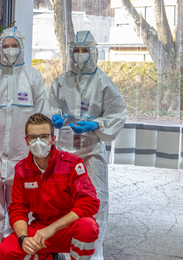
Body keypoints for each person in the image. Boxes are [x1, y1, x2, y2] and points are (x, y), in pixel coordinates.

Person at [49, 30, 127, 260]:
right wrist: (56, 116)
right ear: (71, 52)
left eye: (85, 51)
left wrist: (95, 123)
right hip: (64, 150)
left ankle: (93, 252)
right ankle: (61, 248)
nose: (80, 55)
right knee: (61, 198)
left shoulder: (102, 81)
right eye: (77, 50)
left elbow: (117, 113)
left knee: (96, 199)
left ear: (93, 52)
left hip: (91, 149)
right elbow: (50, 104)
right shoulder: (62, 80)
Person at [0, 26, 49, 240]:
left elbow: (42, 117)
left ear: (21, 47)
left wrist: (39, 149)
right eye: (6, 46)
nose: (10, 50)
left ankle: (16, 247)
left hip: (22, 157)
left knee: (21, 208)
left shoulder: (33, 77)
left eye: (14, 46)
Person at [0, 113, 100, 260]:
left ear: (53, 139)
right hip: (41, 229)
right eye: (33, 137)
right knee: (5, 251)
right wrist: (23, 238)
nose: (38, 142)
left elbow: (89, 203)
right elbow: (18, 209)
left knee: (87, 227)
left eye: (44, 136)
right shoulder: (21, 170)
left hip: (68, 228)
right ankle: (51, 257)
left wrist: (52, 228)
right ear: (27, 141)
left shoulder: (72, 164)